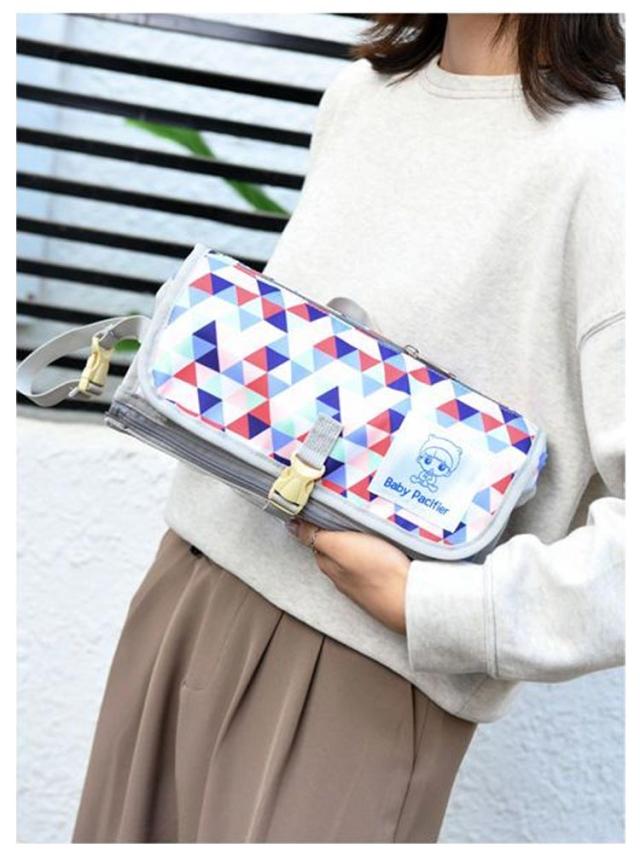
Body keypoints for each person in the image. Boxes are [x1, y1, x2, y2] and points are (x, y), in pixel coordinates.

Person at [72, 13, 625, 843]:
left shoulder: (607, 165)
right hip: (187, 586)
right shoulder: (360, 97)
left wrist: (436, 604)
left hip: (361, 672)